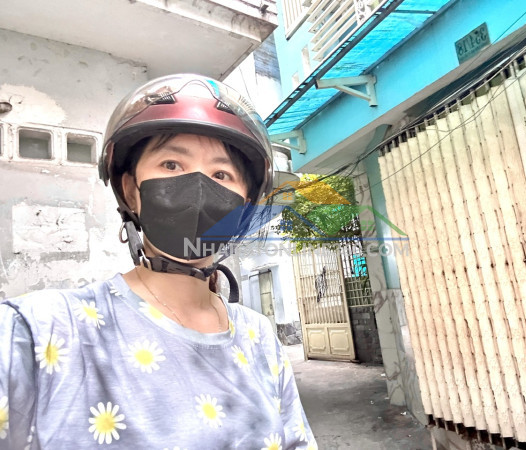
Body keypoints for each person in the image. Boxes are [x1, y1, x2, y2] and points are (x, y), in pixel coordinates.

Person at [0, 74, 316, 449]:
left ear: (244, 208)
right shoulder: (38, 330)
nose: (198, 187)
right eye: (171, 164)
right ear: (131, 191)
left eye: (221, 174)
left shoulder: (260, 338)